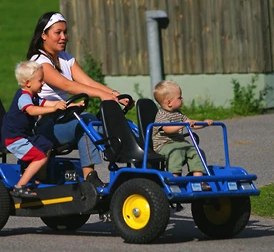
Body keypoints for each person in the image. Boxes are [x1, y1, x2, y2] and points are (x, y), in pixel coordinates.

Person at [26, 11, 133, 187]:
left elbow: (88, 82)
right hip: (45, 124)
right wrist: (102, 95)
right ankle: (89, 177)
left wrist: (115, 95)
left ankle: (133, 166)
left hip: (62, 119)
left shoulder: (66, 59)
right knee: (86, 123)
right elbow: (68, 85)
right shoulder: (39, 62)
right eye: (58, 32)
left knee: (93, 121)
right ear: (44, 35)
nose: (63, 37)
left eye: (65, 32)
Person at [2, 61, 68, 198]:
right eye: (40, 80)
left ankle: (40, 178)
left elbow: (49, 103)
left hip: (24, 135)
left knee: (47, 146)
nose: (43, 83)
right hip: (14, 138)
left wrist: (72, 104)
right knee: (40, 156)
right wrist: (53, 109)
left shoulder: (33, 96)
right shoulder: (23, 97)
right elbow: (31, 110)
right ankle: (20, 186)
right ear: (28, 83)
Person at [152, 80, 213, 191]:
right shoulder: (161, 114)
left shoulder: (178, 113)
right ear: (169, 102)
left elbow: (191, 123)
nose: (182, 99)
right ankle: (174, 180)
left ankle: (199, 181)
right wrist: (182, 125)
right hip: (164, 145)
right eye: (179, 97)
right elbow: (167, 129)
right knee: (176, 152)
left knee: (196, 151)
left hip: (178, 143)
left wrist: (203, 123)